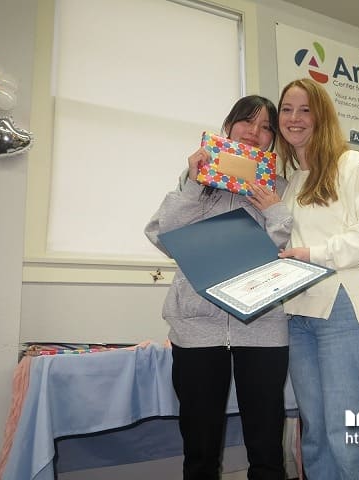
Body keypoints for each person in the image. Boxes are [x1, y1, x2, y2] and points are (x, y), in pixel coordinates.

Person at [145, 95, 292, 480]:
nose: (255, 132)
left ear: (272, 139)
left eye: (266, 127)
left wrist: (274, 209)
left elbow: (288, 254)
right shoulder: (195, 178)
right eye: (247, 121)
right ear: (228, 126)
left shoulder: (278, 186)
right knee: (199, 449)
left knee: (266, 447)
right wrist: (195, 186)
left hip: (263, 327)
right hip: (197, 329)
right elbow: (164, 237)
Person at [276, 78, 359, 480]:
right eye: (286, 109)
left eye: (305, 109)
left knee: (354, 438)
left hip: (352, 310)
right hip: (301, 313)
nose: (294, 118)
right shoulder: (293, 182)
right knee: (317, 438)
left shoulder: (355, 165)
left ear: (323, 116)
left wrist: (315, 254)